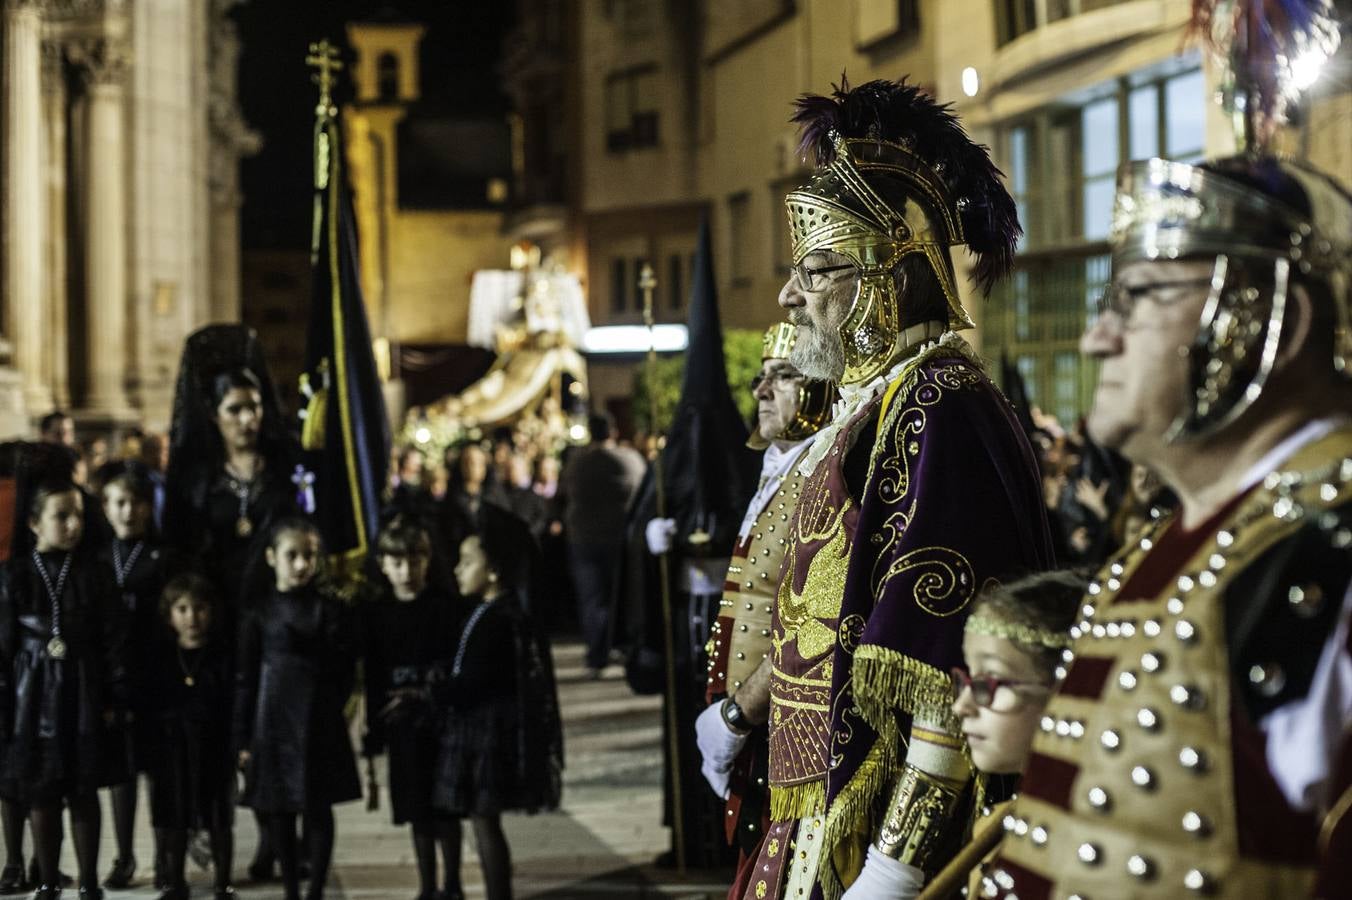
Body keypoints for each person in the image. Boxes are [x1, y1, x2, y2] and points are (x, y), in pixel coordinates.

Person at [990, 153, 1352, 896]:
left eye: (1140, 296)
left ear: (1273, 322)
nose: (1097, 339)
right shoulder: (1160, 546)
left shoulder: (1330, 547)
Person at [731, 77, 1053, 899]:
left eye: (817, 271)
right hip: (815, 808)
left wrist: (894, 868)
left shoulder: (942, 406)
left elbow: (945, 663)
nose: (790, 296)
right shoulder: (877, 405)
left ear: (892, 278)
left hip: (876, 828)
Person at [673, 323, 831, 895]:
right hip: (755, 733)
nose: (762, 391)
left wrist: (739, 715)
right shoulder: (783, 469)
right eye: (762, 378)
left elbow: (811, 623)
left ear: (821, 386)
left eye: (783, 376)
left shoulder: (822, 474)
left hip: (784, 730)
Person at [163, 325, 302, 882]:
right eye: (236, 409)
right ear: (214, 415)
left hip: (272, 622)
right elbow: (182, 553)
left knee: (271, 732)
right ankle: (213, 836)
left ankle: (277, 840)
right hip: (218, 625)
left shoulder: (283, 475)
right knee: (221, 735)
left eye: (255, 407)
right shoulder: (199, 483)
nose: (249, 419)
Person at [0, 446, 128, 900]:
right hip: (32, 693)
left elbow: (112, 637)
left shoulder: (94, 573)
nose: (73, 524)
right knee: (42, 790)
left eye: (77, 515)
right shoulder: (15, 575)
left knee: (83, 789)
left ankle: (89, 881)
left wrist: (114, 695)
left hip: (83, 689)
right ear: (35, 523)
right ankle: (48, 879)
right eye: (61, 516)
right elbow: (4, 645)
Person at [905, 571, 1080, 899]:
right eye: (968, 679)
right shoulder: (996, 828)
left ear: (1069, 689)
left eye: (989, 682)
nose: (961, 705)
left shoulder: (1085, 845)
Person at [436, 518, 563, 900]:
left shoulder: (500, 618)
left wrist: (438, 692)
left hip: (486, 734)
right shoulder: (489, 611)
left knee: (485, 821)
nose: (458, 570)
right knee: (483, 821)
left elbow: (478, 679)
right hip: (482, 729)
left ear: (492, 571)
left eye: (467, 562)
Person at [233, 518, 360, 900]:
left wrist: (333, 707)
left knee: (318, 806)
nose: (303, 564)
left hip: (317, 718)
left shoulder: (329, 608)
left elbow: (344, 668)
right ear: (272, 557)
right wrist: (242, 737)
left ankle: (315, 889)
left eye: (309, 555)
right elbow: (246, 677)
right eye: (293, 555)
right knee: (279, 809)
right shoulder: (259, 611)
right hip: (272, 719)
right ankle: (291, 888)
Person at [364, 517, 461, 900]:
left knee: (447, 807)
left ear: (427, 560)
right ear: (383, 565)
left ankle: (452, 883)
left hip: (440, 721)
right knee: (417, 809)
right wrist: (374, 732)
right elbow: (373, 674)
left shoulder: (444, 607)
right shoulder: (377, 613)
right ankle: (427, 885)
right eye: (398, 563)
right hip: (401, 724)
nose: (406, 572)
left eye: (414, 561)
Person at [93, 461, 175, 890]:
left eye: (137, 503)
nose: (129, 511)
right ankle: (124, 856)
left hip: (156, 675)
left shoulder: (164, 557)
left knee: (159, 771)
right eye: (120, 503)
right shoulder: (97, 559)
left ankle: (165, 856)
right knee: (121, 773)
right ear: (106, 508)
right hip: (114, 679)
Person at [145, 573, 235, 900]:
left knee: (219, 816)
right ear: (169, 615)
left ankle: (223, 882)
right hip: (173, 748)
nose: (192, 617)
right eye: (182, 609)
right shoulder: (161, 657)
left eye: (199, 608)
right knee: (174, 816)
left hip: (214, 746)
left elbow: (231, 701)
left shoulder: (222, 655)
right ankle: (175, 880)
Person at [558, 413, 646, 676]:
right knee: (621, 596)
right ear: (614, 432)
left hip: (584, 539)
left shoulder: (577, 463)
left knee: (592, 599)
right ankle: (623, 648)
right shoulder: (629, 459)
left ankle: (597, 655)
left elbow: (563, 493)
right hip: (618, 538)